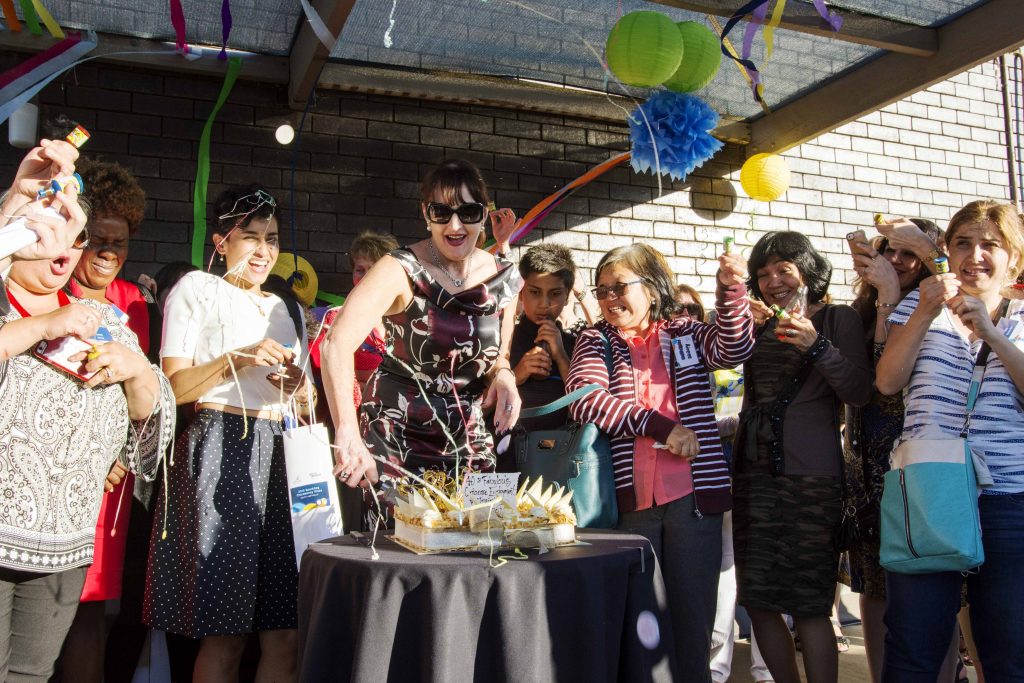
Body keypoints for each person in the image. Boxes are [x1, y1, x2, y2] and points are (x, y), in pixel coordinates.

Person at [0, 191, 173, 681]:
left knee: (32, 673)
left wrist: (136, 370)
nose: (64, 250)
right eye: (43, 234)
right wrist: (44, 324)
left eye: (72, 238)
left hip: (65, 543)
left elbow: (149, 424)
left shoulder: (106, 321)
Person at [145, 186, 313, 683]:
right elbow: (171, 388)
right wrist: (234, 360)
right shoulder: (196, 288)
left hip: (282, 452)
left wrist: (299, 387)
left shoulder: (289, 309)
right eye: (251, 238)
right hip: (219, 444)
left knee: (286, 632)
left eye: (273, 239)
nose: (264, 251)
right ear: (222, 242)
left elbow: (304, 403)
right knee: (226, 632)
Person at [565, 243, 754, 682]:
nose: (610, 299)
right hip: (632, 505)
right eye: (603, 289)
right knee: (640, 621)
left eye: (620, 287)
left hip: (693, 501)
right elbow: (586, 401)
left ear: (651, 287)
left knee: (692, 623)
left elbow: (734, 348)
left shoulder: (686, 331)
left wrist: (731, 292)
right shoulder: (596, 340)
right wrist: (660, 426)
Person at [876, 200, 1024, 682]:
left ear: (1014, 259)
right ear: (947, 250)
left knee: (1009, 650)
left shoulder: (1021, 319)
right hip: (927, 490)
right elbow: (887, 382)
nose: (974, 255)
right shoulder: (919, 306)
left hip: (1007, 497)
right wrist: (922, 309)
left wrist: (994, 334)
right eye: (963, 242)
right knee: (913, 646)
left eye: (990, 245)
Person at [322, 158, 521, 488]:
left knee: (484, 532)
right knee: (404, 537)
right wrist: (347, 432)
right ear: (426, 214)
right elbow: (336, 343)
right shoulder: (399, 268)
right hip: (398, 435)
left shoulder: (505, 279)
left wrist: (504, 377)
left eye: (468, 213)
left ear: (484, 214)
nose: (455, 226)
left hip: (469, 436)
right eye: (441, 213)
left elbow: (499, 355)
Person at [734, 231, 872, 683]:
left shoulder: (837, 319)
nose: (773, 281)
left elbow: (857, 391)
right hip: (754, 477)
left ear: (807, 270)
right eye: (763, 274)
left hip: (813, 478)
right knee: (757, 599)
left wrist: (814, 343)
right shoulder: (758, 326)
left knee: (811, 604)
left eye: (783, 270)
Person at [51, 156, 150, 683]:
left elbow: (144, 392)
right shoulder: (50, 292)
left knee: (90, 609)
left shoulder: (134, 302)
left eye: (121, 243)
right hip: (46, 468)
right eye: (98, 240)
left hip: (107, 477)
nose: (109, 253)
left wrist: (120, 455)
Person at [844, 219, 942, 683]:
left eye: (910, 254)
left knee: (925, 591)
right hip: (866, 465)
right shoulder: (860, 312)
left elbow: (889, 384)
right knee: (874, 582)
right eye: (891, 252)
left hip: (915, 462)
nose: (898, 263)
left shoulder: (937, 308)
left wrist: (889, 298)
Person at [309, 229, 399, 391]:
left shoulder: (406, 319)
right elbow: (326, 377)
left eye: (373, 270)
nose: (365, 277)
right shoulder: (336, 319)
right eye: (359, 270)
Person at [509, 243, 583, 431]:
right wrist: (515, 375)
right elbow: (477, 408)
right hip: (506, 451)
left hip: (559, 454)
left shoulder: (578, 345)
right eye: (534, 292)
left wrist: (561, 356)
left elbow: (586, 406)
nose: (544, 304)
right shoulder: (504, 341)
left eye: (555, 293)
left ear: (567, 296)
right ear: (521, 292)